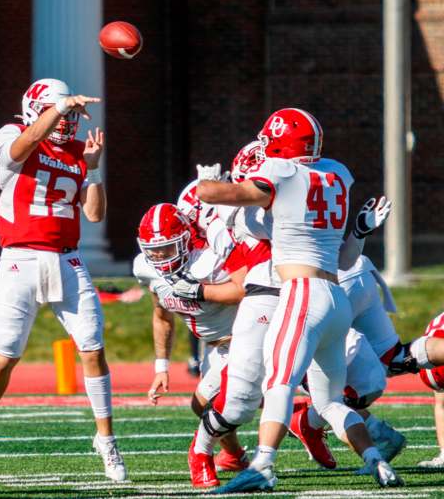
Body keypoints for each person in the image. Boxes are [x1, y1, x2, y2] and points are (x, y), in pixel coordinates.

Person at [197, 108, 402, 492]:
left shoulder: (281, 174)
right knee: (329, 401)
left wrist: (207, 183)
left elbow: (230, 196)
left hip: (301, 294)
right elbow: (344, 258)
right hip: (336, 298)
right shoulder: (336, 174)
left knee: (279, 382)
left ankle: (263, 466)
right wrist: (358, 230)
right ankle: (375, 460)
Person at [0, 78, 127, 481]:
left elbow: (94, 215)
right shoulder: (12, 135)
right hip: (20, 258)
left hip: (67, 259)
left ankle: (106, 440)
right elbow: (23, 146)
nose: (67, 121)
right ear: (36, 109)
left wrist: (93, 171)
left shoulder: (78, 151)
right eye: (60, 112)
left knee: (92, 349)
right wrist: (56, 108)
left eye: (71, 113)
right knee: (5, 356)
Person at [135, 202, 251, 487]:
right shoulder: (146, 268)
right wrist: (161, 367)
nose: (160, 256)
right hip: (214, 348)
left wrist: (203, 292)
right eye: (153, 250)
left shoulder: (207, 262)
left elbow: (245, 289)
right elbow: (161, 315)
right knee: (202, 408)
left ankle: (201, 454)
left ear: (186, 239)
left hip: (247, 340)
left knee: (241, 403)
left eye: (168, 248)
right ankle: (235, 455)